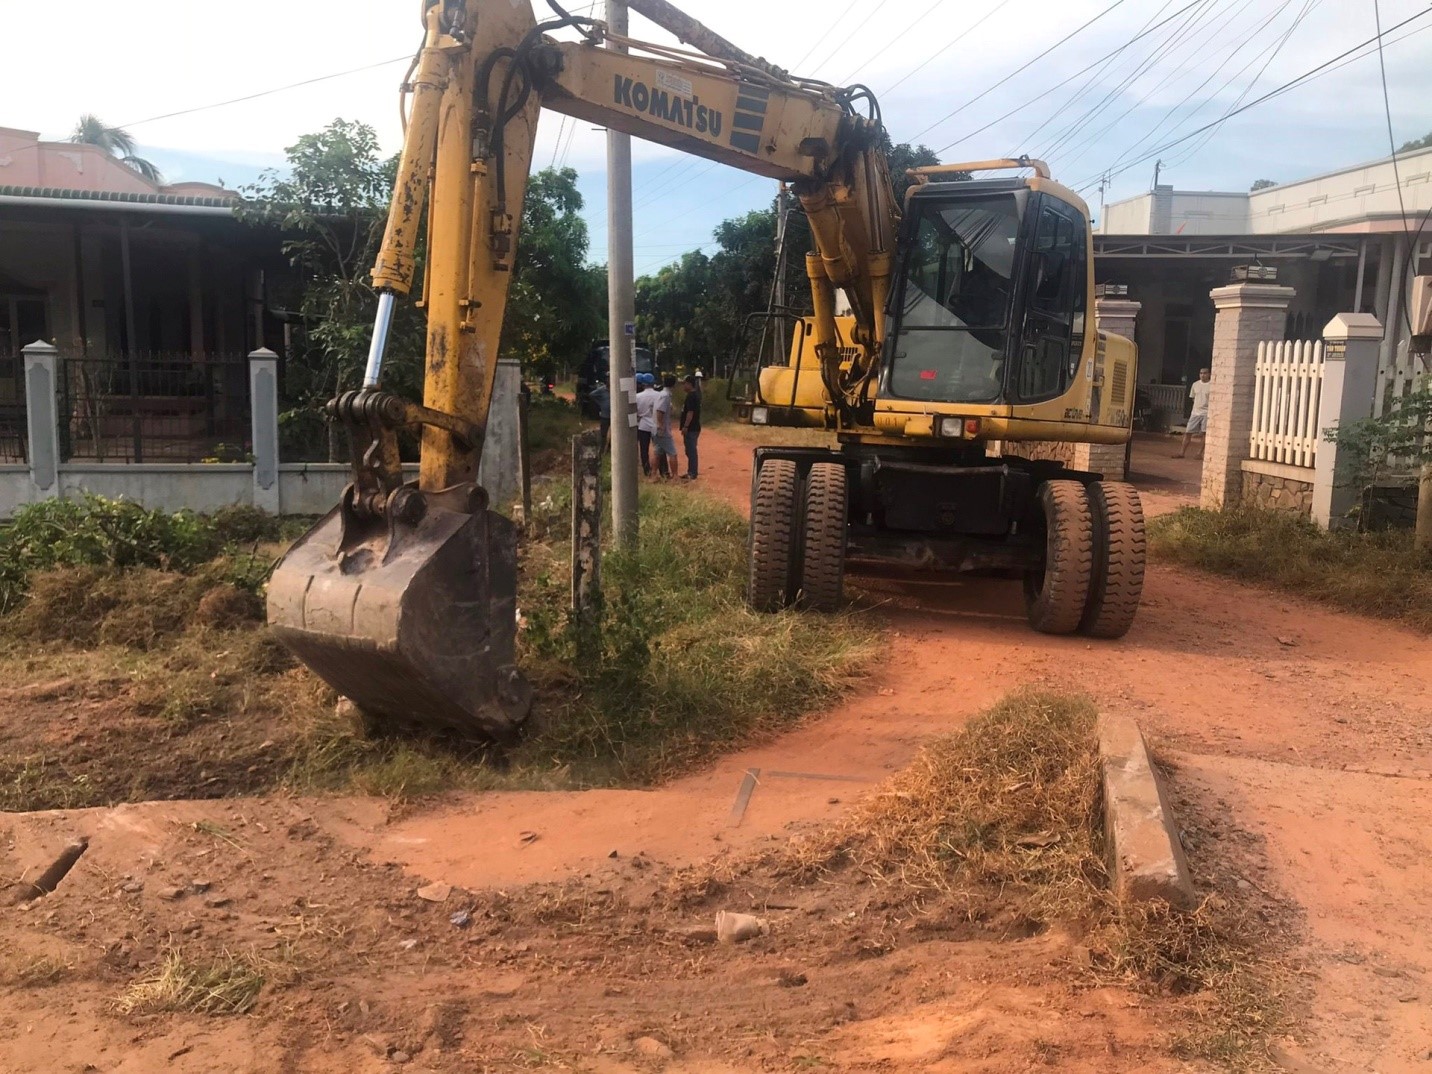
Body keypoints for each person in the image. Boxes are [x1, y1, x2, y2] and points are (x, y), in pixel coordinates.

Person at [1175, 366, 1212, 459]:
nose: (1202, 375)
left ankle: (1199, 453)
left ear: (1209, 374)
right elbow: (1193, 397)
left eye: (1205, 373)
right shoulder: (1195, 384)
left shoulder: (1212, 385)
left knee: (1204, 433)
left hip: (1207, 413)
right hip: (1195, 412)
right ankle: (1181, 452)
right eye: (1201, 373)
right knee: (1188, 432)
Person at [653, 374, 678, 479]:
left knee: (657, 453)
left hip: (656, 428)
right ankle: (675, 476)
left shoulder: (662, 394)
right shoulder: (665, 396)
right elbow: (660, 410)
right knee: (673, 453)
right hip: (663, 430)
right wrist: (660, 424)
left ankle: (653, 475)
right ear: (674, 384)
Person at [679, 374, 701, 481]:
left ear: (689, 384)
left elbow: (690, 413)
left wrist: (686, 426)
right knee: (689, 450)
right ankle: (691, 471)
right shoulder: (693, 395)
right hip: (693, 427)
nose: (683, 386)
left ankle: (692, 472)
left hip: (692, 428)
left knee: (691, 450)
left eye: (684, 384)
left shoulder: (692, 396)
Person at [635, 373, 656, 476]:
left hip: (643, 425)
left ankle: (647, 471)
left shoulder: (638, 396)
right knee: (660, 449)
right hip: (656, 424)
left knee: (644, 449)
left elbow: (635, 411)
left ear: (643, 384)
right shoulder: (659, 395)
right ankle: (663, 470)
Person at [589, 380, 611, 453]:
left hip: (614, 416)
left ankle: (610, 449)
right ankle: (602, 450)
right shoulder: (602, 390)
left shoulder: (616, 390)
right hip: (605, 415)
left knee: (615, 434)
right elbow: (591, 394)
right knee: (603, 434)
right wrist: (600, 403)